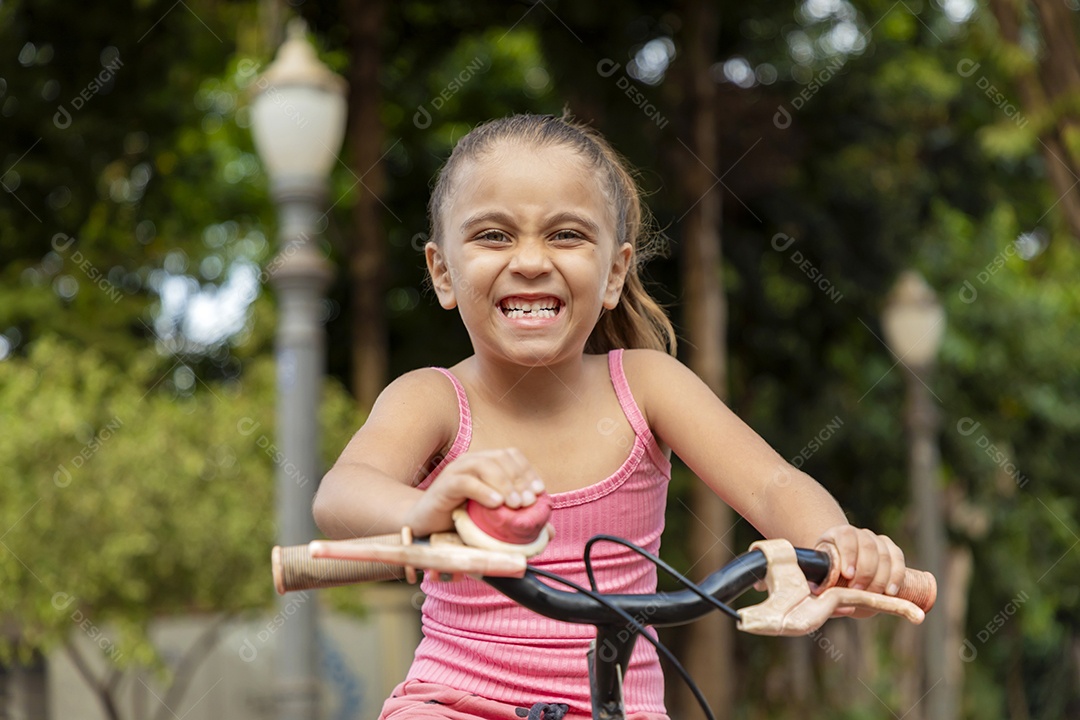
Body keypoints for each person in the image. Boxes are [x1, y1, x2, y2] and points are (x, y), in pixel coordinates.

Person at [313, 113, 908, 720]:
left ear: (614, 273)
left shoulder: (646, 386)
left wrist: (834, 547)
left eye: (566, 235)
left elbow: (773, 483)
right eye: (493, 235)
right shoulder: (431, 398)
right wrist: (419, 513)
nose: (530, 261)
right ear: (443, 273)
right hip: (453, 703)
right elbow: (342, 493)